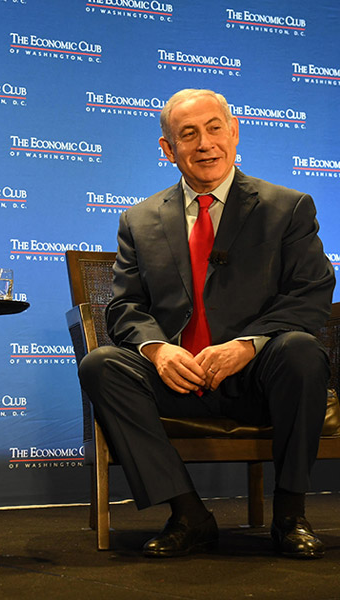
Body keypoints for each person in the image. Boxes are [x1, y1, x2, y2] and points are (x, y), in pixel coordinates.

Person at [78, 88, 335, 559]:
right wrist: (158, 349)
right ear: (167, 149)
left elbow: (311, 292)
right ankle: (188, 513)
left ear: (234, 132)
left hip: (256, 379)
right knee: (101, 365)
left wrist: (248, 345)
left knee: (300, 351)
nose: (204, 144)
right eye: (188, 134)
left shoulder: (287, 207)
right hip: (175, 379)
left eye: (215, 128)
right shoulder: (139, 219)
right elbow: (124, 307)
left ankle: (290, 514)